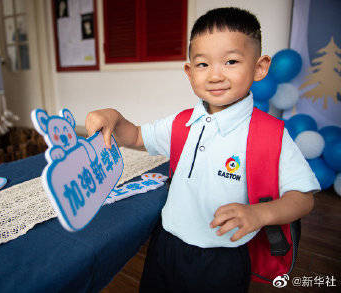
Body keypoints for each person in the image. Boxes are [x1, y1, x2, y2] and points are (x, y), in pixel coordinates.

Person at [85, 7, 320, 292]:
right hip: (166, 246)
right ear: (189, 71)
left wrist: (260, 214)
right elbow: (135, 136)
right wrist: (114, 117)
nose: (215, 76)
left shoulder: (271, 134)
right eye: (202, 64)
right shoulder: (181, 122)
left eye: (231, 61)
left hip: (223, 257)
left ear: (259, 67)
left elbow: (303, 198)